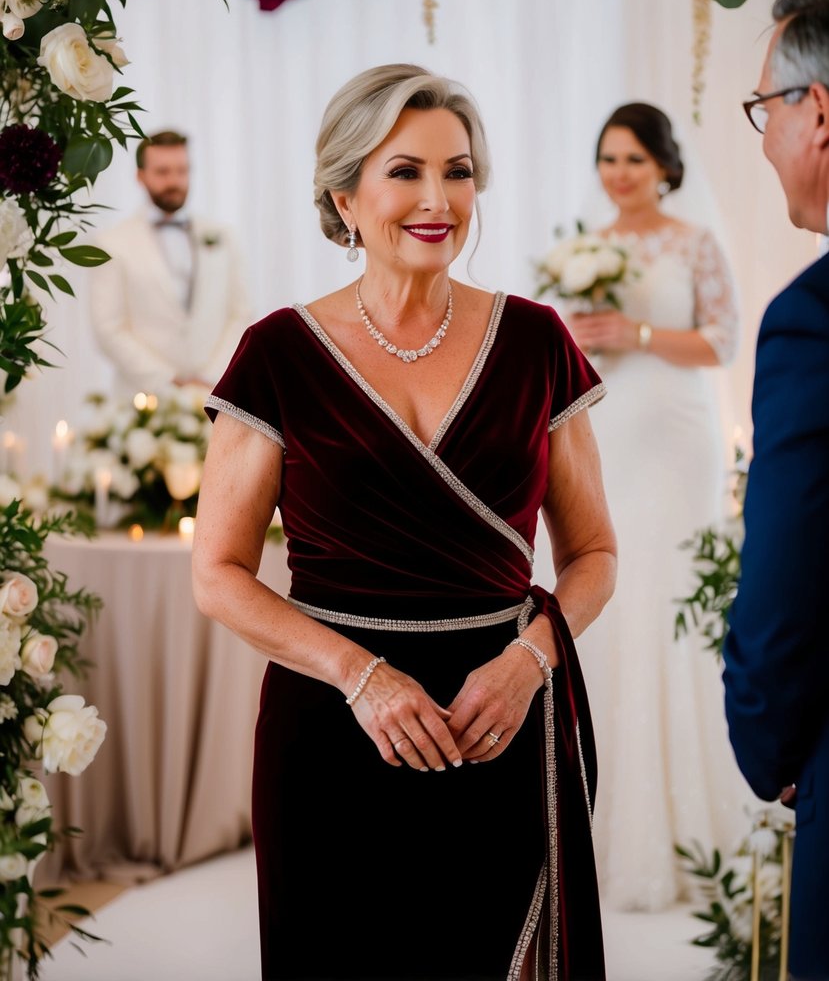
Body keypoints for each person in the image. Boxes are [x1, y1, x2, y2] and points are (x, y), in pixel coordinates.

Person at [192, 64, 617, 981]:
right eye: (405, 171)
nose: (437, 199)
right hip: (332, 730)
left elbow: (593, 554)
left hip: (497, 723)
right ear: (344, 196)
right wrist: (361, 676)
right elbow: (217, 573)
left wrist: (528, 660)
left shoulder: (538, 339)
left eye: (458, 172)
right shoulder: (278, 353)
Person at [566, 103, 754, 912]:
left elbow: (723, 339)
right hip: (608, 431)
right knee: (609, 599)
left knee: (669, 599)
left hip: (677, 436)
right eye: (608, 158)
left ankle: (688, 829)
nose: (619, 173)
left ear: (665, 167)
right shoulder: (582, 245)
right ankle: (600, 823)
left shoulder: (693, 241)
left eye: (635, 159)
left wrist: (636, 332)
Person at [723, 0, 829, 981]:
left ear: (819, 112)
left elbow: (789, 578)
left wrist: (772, 745)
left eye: (764, 110)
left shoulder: (814, 317)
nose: (762, 140)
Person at [88, 129, 251, 395]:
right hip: (141, 400)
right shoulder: (111, 244)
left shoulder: (223, 236)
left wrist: (211, 377)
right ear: (140, 176)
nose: (174, 180)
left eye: (182, 170)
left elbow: (241, 313)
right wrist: (169, 382)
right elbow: (108, 329)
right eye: (162, 172)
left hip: (216, 392)